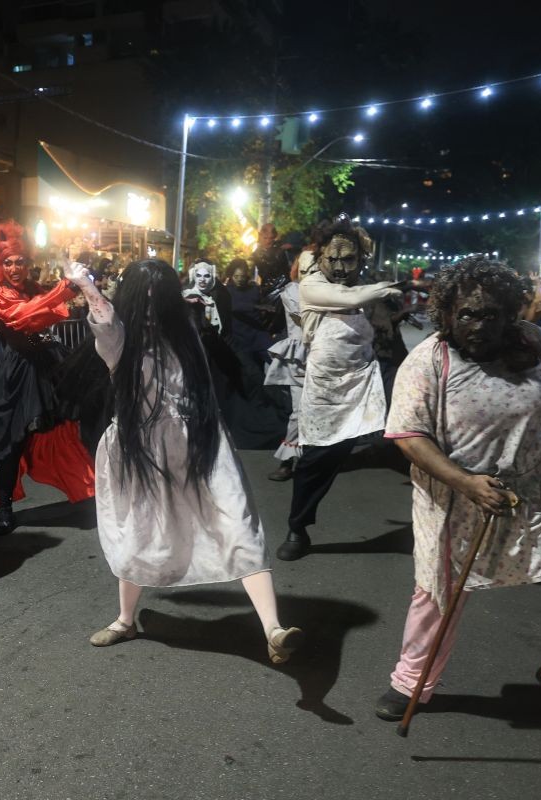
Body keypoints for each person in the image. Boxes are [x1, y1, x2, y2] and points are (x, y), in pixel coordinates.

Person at [376, 257, 541, 735]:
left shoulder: (538, 343)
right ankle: (412, 682)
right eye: (468, 314)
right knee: (437, 595)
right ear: (447, 314)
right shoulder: (428, 361)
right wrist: (466, 481)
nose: (480, 325)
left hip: (539, 488)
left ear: (510, 313)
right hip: (458, 495)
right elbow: (407, 436)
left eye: (492, 314)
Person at [64, 258, 304, 661]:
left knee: (237, 523)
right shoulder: (118, 338)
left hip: (201, 446)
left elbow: (204, 390)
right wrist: (85, 284)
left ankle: (273, 630)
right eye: (146, 297)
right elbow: (103, 318)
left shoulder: (187, 334)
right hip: (141, 450)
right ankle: (125, 620)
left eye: (162, 297)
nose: (154, 306)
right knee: (138, 534)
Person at [277, 216, 406, 561]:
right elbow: (348, 297)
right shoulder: (313, 286)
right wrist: (385, 290)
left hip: (365, 383)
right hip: (324, 391)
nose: (337, 266)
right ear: (318, 258)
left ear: (360, 260)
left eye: (346, 259)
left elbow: (389, 336)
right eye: (330, 258)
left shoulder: (371, 292)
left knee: (410, 439)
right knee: (316, 460)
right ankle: (297, 527)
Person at [0, 221, 95, 536]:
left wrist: (69, 288)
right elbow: (25, 316)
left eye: (20, 261)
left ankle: (88, 484)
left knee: (63, 429)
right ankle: (4, 507)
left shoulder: (33, 288)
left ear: (28, 264)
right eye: (8, 262)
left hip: (42, 368)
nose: (14, 268)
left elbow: (54, 311)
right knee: (9, 442)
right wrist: (66, 287)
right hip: (15, 374)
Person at [264, 251, 311, 481]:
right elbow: (305, 318)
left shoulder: (323, 291)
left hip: (324, 354)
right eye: (304, 268)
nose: (309, 273)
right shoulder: (292, 290)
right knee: (298, 411)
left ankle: (308, 460)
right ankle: (287, 461)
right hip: (300, 356)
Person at [181, 260, 232, 338]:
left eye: (206, 275)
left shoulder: (221, 293)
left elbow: (224, 320)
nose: (202, 279)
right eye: (198, 275)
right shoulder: (184, 291)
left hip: (213, 340)